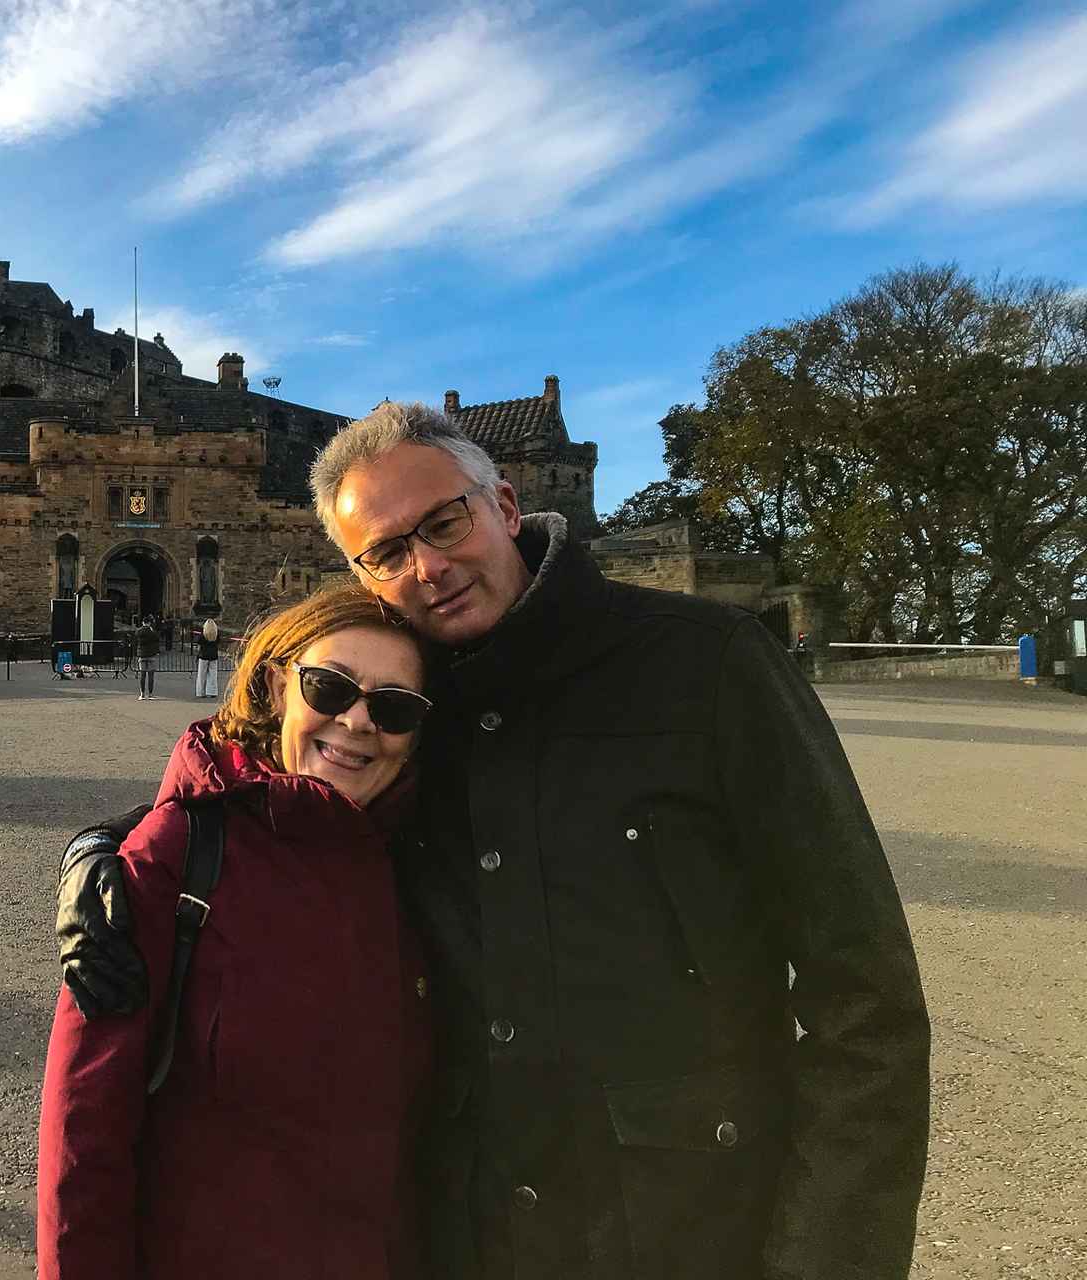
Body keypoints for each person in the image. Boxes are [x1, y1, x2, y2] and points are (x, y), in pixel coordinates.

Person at [56, 401, 930, 1280]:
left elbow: (866, 1000)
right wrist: (114, 849)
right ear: (360, 574)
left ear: (506, 505)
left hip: (689, 1234)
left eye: (445, 522)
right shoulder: (403, 704)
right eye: (386, 553)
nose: (429, 566)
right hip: (465, 1241)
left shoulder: (707, 664)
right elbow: (271, 783)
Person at [39, 585, 437, 1279]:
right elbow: (83, 1130)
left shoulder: (426, 857)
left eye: (394, 706)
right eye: (329, 686)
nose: (356, 721)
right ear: (279, 688)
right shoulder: (179, 853)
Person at [193, 618, 221, 699]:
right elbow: (218, 642)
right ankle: (212, 691)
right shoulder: (216, 635)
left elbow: (198, 641)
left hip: (203, 656)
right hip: (213, 656)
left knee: (201, 675)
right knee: (213, 675)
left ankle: (200, 692)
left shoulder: (203, 635)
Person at [133, 615, 159, 701]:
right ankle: (150, 694)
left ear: (142, 622)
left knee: (142, 675)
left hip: (142, 655)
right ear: (149, 623)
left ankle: (142, 694)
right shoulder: (152, 631)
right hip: (151, 655)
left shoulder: (138, 631)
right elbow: (157, 638)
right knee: (151, 675)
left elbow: (135, 640)